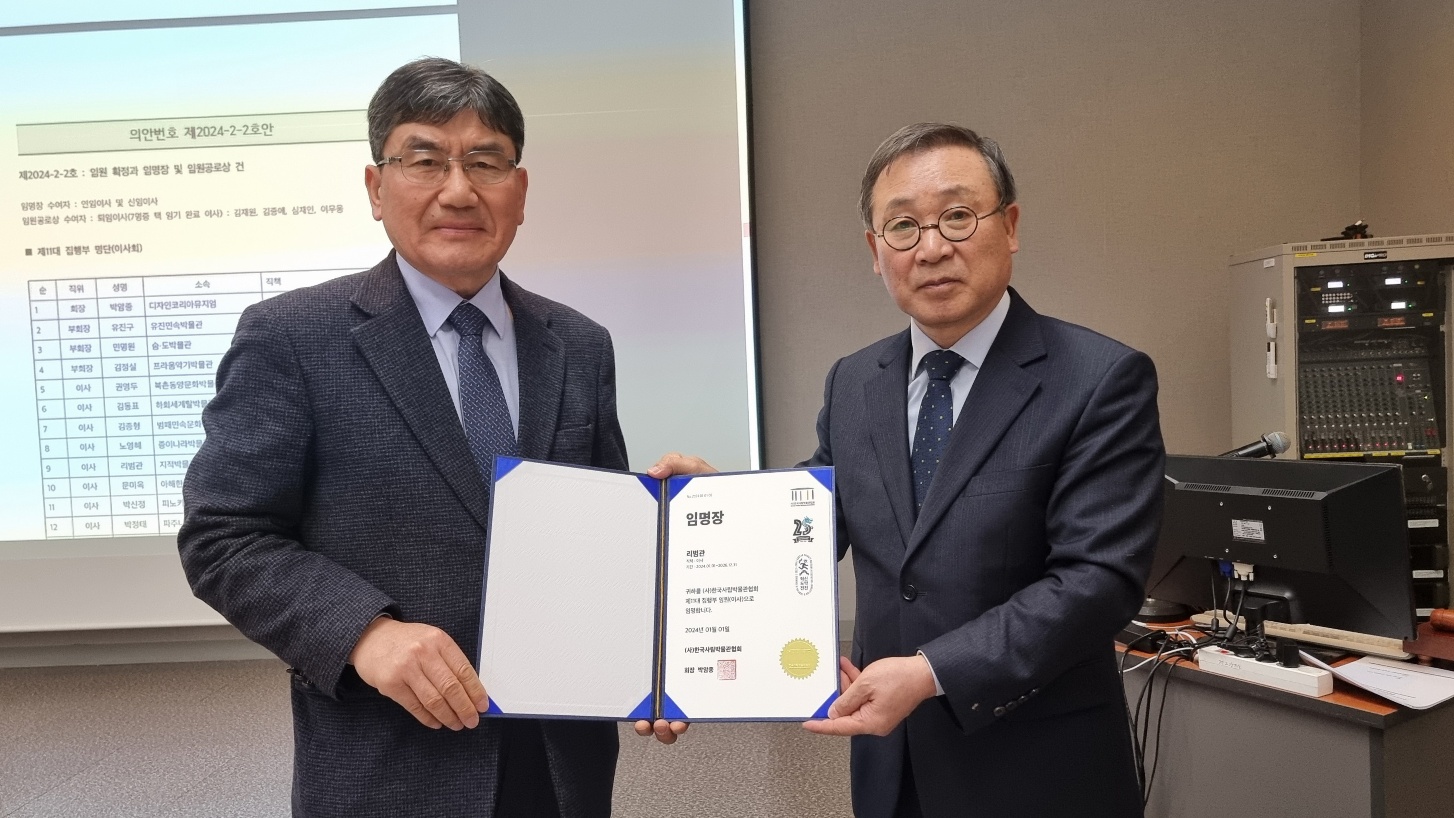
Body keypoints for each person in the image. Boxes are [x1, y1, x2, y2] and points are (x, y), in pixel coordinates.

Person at [179, 57, 678, 818]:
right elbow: (225, 536)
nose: (458, 190)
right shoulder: (293, 337)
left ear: (519, 190)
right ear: (376, 188)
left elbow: (599, 536)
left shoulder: (578, 343)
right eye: (425, 160)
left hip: (560, 764)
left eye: (485, 162)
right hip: (390, 765)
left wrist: (677, 541)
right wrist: (365, 633)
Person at [652, 123, 1164, 817]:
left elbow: (1097, 582)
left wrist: (931, 672)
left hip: (1038, 769)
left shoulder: (1099, 378)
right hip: (891, 769)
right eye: (902, 226)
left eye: (957, 216)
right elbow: (814, 519)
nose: (931, 248)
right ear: (875, 251)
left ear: (1010, 226)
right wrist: (717, 509)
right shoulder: (856, 381)